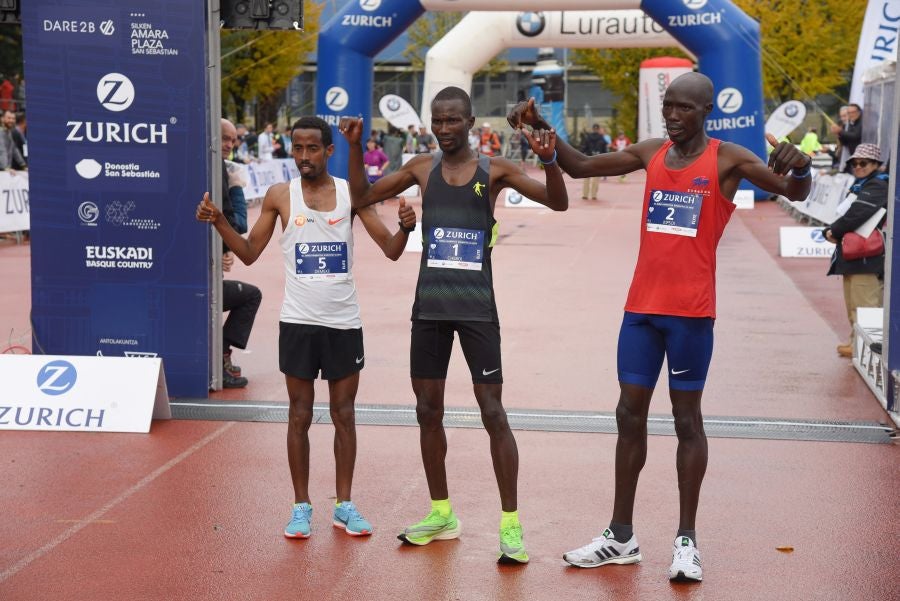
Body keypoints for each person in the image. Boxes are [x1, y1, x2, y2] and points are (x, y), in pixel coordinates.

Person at [508, 71, 812, 582]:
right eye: (668, 106)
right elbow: (580, 167)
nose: (672, 115)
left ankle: (686, 541)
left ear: (705, 112)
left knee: (686, 422)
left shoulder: (729, 158)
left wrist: (802, 169)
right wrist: (545, 132)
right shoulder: (651, 151)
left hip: (691, 314)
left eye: (684, 109)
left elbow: (792, 191)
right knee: (628, 414)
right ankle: (620, 536)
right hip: (641, 312)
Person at [339, 85, 568, 565]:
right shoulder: (421, 168)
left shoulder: (496, 170)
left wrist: (549, 160)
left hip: (477, 308)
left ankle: (510, 524)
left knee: (493, 413)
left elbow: (557, 202)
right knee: (427, 410)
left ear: (469, 122)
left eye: (452, 121)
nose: (444, 130)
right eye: (437, 121)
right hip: (429, 309)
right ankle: (441, 513)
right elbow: (361, 195)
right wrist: (356, 146)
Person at [196, 115, 417, 540]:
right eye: (296, 148)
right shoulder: (281, 195)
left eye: (311, 149)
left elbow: (390, 250)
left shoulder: (352, 195)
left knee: (344, 414)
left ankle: (345, 505)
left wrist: (406, 230)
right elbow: (247, 253)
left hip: (343, 321)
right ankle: (301, 507)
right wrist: (218, 220)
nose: (302, 157)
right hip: (297, 322)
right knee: (298, 415)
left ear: (329, 151)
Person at [822, 143, 888, 358]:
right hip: (855, 255)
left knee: (865, 304)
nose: (858, 166)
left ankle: (868, 350)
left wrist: (833, 231)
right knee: (854, 303)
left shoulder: (877, 186)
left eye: (864, 163)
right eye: (854, 163)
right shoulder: (861, 185)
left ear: (877, 165)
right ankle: (856, 342)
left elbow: (857, 214)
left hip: (867, 257)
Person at [220, 118, 259, 388]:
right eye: (224, 138)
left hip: (201, 270)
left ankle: (220, 353)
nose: (229, 145)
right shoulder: (222, 171)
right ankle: (221, 355)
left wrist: (223, 248)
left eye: (233, 140)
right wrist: (236, 187)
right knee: (251, 296)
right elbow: (237, 224)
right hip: (197, 281)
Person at [579, 124, 608, 199]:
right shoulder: (602, 138)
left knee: (586, 178)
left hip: (588, 159)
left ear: (592, 129)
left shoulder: (588, 137)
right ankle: (594, 195)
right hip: (598, 160)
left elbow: (583, 148)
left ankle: (585, 195)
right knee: (596, 179)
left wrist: (579, 155)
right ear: (598, 129)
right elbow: (605, 151)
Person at [831, 104, 862, 172]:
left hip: (860, 159)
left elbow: (855, 136)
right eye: (849, 113)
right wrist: (839, 134)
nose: (851, 115)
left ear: (859, 112)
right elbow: (845, 143)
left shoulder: (862, 122)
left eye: (853, 112)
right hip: (851, 159)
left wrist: (840, 131)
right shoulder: (849, 124)